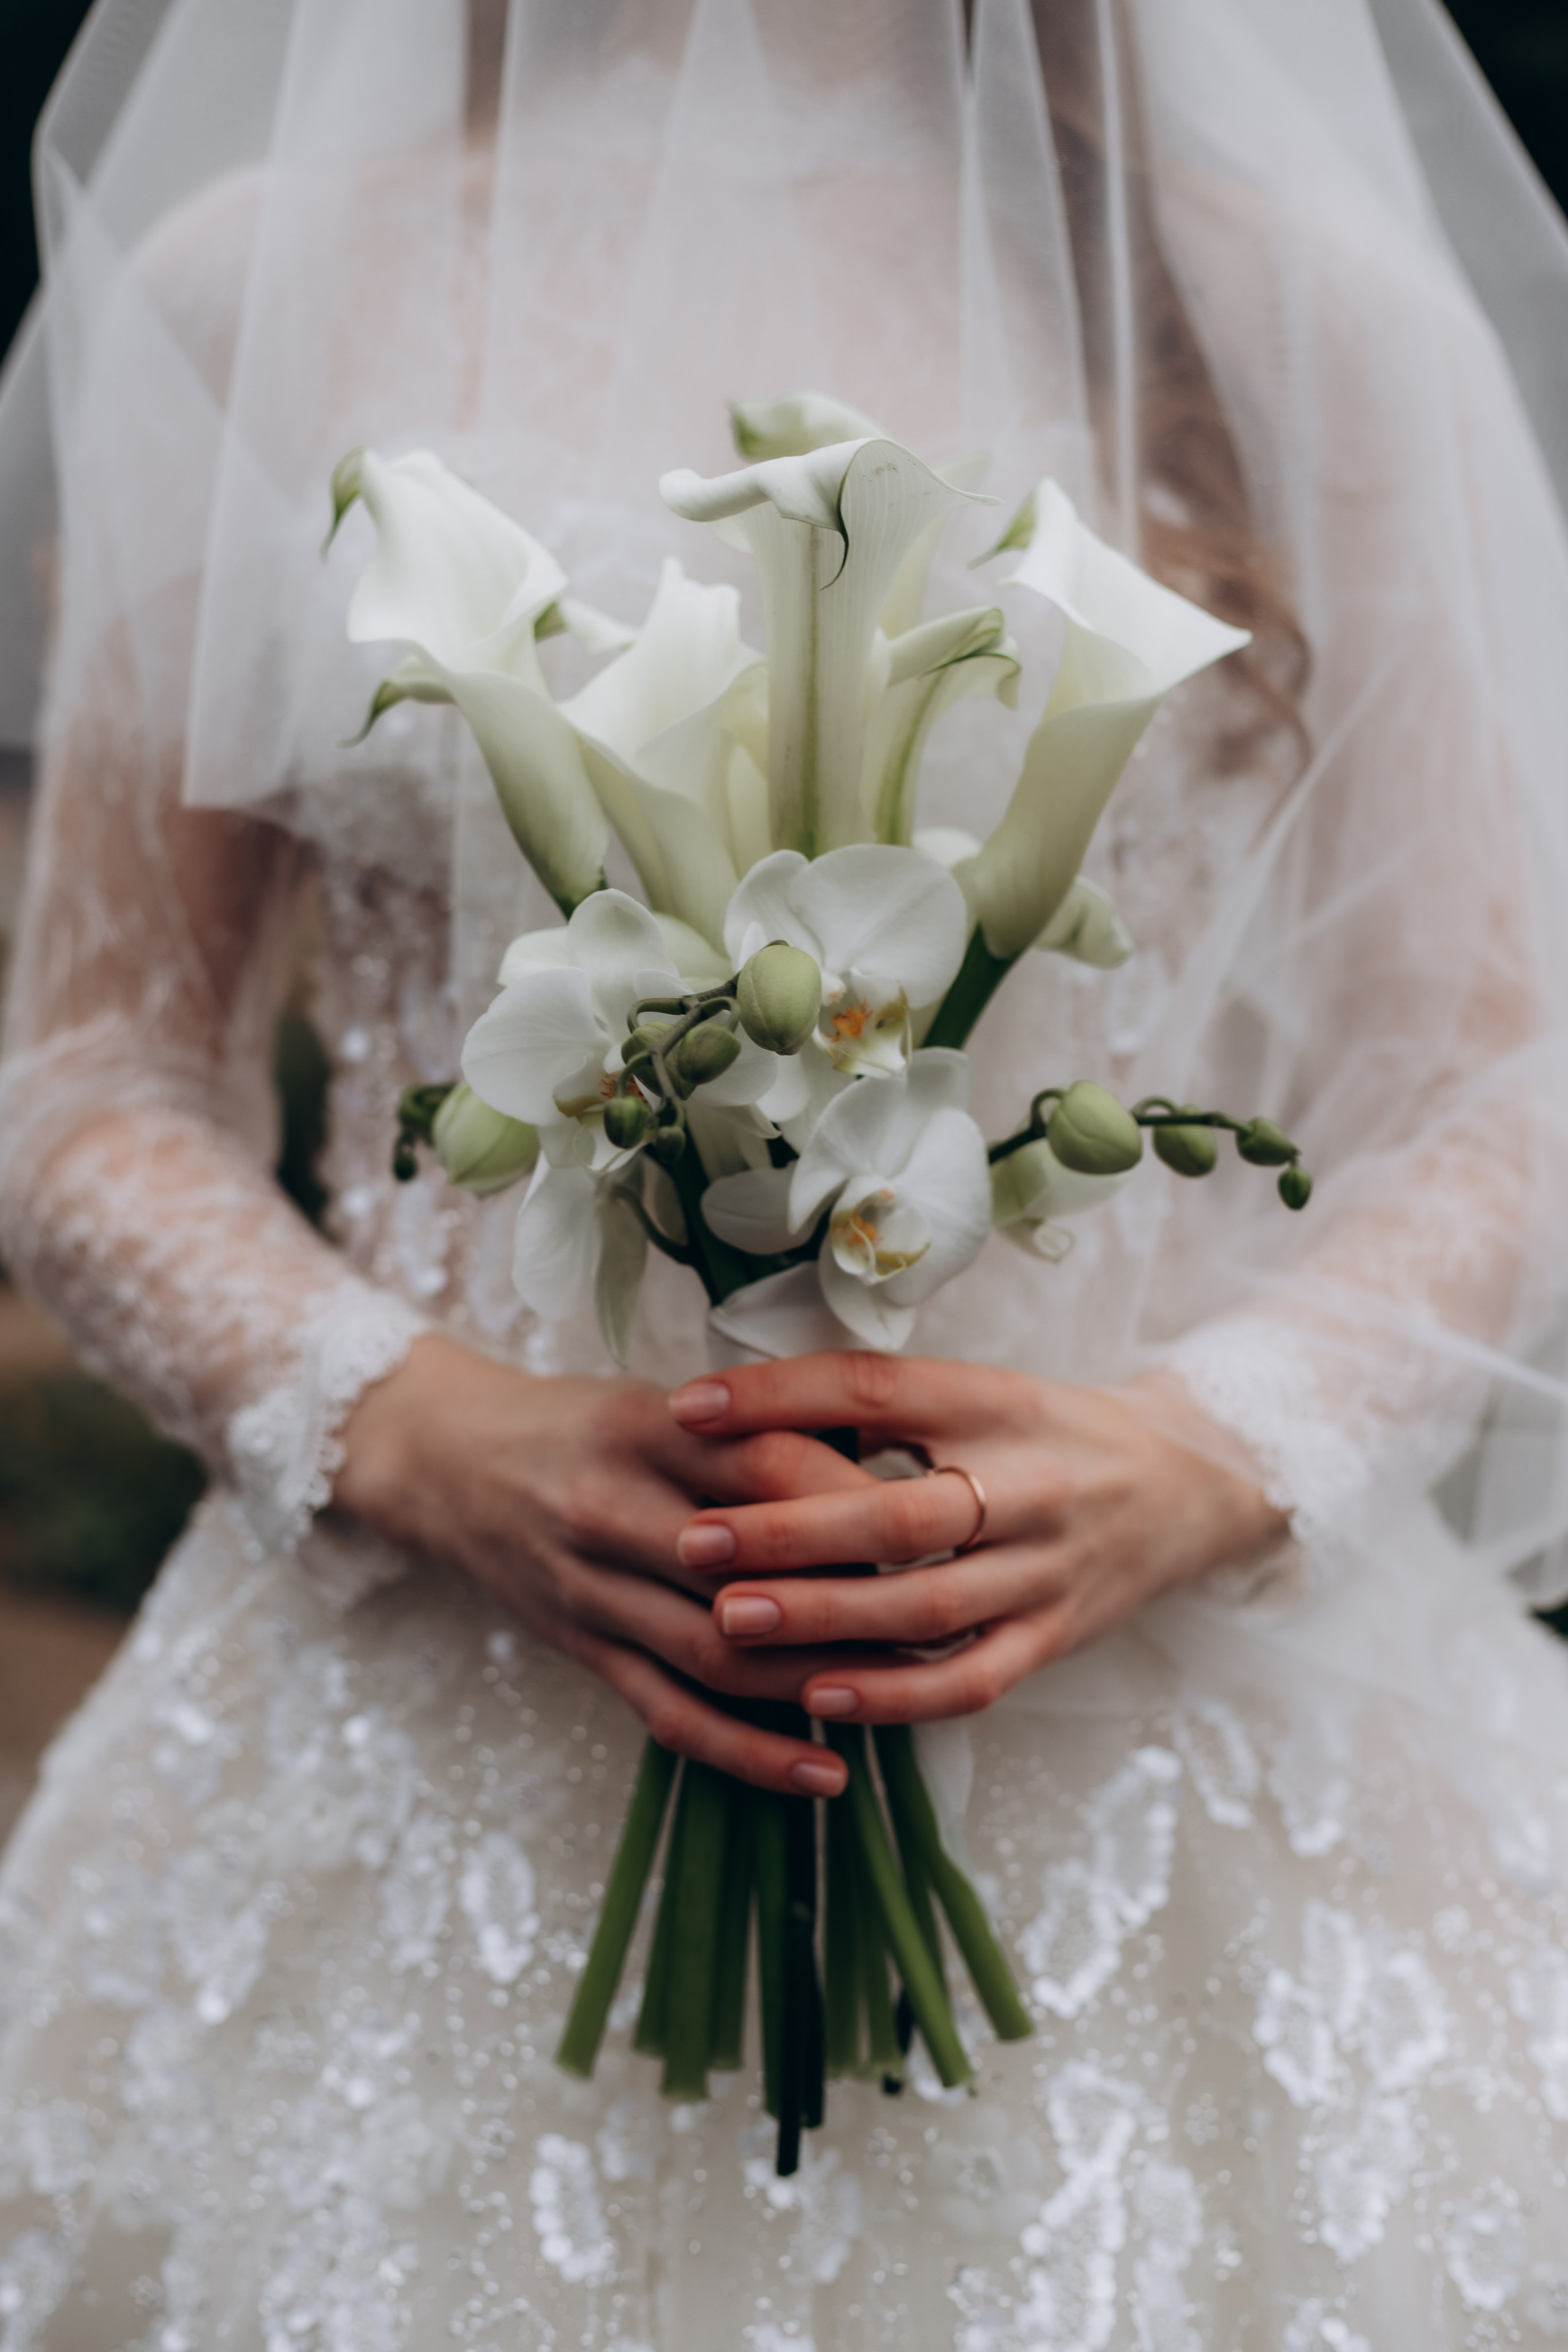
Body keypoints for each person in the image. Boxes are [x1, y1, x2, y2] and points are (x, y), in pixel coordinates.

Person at [2, 0, 1568, 2342]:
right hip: (438, 1720)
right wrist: (411, 1424)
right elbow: (88, 1075)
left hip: (1144, 1740)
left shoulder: (1285, 301)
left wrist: (1200, 1456)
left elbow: (1511, 1080)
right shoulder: (251, 283)